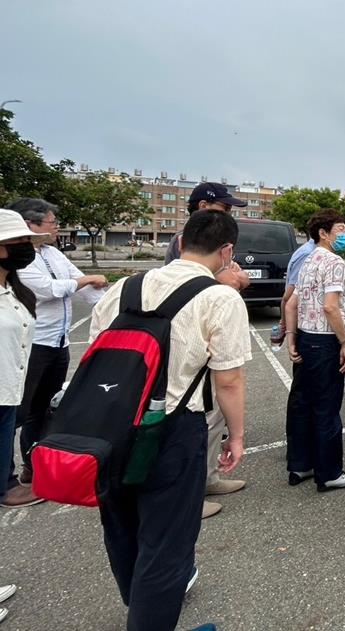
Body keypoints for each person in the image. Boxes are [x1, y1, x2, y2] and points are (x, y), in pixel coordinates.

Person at [89, 210, 250, 631]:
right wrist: (236, 435)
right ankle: (150, 619)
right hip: (173, 430)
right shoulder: (219, 297)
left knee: (122, 526)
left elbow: (94, 353)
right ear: (227, 251)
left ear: (180, 241)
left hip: (109, 426)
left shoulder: (125, 286)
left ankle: (141, 609)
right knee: (167, 544)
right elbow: (228, 380)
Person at [9, 198, 107, 505]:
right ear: (31, 225)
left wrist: (112, 304)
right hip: (33, 343)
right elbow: (47, 290)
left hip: (59, 342)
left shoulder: (52, 253)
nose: (56, 229)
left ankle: (33, 468)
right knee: (18, 411)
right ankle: (6, 478)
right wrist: (85, 279)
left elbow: (87, 287)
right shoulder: (21, 259)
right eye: (52, 223)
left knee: (47, 408)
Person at [164, 182, 250, 518]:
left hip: (211, 339)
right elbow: (208, 282)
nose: (228, 214)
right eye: (224, 208)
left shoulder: (212, 245)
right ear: (203, 206)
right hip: (192, 348)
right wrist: (229, 282)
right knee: (192, 420)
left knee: (211, 419)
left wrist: (235, 281)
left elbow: (235, 278)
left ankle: (208, 477)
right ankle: (188, 495)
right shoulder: (186, 244)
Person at [283, 210, 345, 492]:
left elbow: (291, 303)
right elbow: (331, 306)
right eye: (340, 229)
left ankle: (300, 464)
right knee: (327, 407)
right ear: (323, 234)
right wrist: (344, 342)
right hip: (325, 341)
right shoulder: (333, 261)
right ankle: (329, 472)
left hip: (305, 338)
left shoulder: (307, 258)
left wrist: (292, 337)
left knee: (303, 404)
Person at [0, 209, 46, 509]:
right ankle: (5, 487)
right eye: (19, 241)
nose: (26, 247)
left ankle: (8, 480)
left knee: (7, 429)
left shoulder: (14, 290)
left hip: (11, 380)